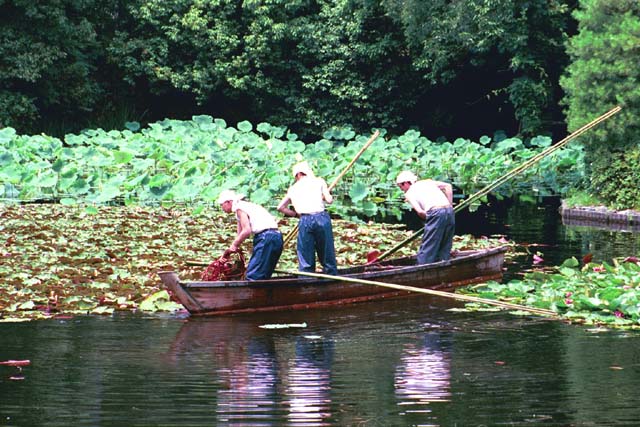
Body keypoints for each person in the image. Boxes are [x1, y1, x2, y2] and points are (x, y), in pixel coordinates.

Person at [277, 161, 338, 275]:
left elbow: (280, 207)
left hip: (304, 220)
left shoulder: (293, 189)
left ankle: (307, 279)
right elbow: (330, 200)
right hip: (321, 218)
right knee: (326, 251)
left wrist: (295, 214)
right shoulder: (319, 181)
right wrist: (323, 196)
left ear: (298, 175)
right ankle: (331, 275)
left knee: (305, 255)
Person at [217, 189, 284, 280]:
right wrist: (229, 251)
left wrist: (234, 245)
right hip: (275, 237)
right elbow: (240, 234)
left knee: (253, 275)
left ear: (228, 202)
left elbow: (247, 230)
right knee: (263, 274)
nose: (222, 208)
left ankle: (252, 293)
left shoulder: (240, 208)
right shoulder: (243, 207)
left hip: (266, 238)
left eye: (222, 205)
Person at [396, 170, 455, 264]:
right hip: (449, 211)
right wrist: (450, 205)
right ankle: (443, 263)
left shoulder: (409, 193)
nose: (402, 189)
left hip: (435, 212)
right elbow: (448, 186)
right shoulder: (427, 182)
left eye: (401, 186)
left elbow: (420, 212)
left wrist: (429, 219)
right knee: (445, 243)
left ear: (407, 183)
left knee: (429, 245)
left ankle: (422, 267)